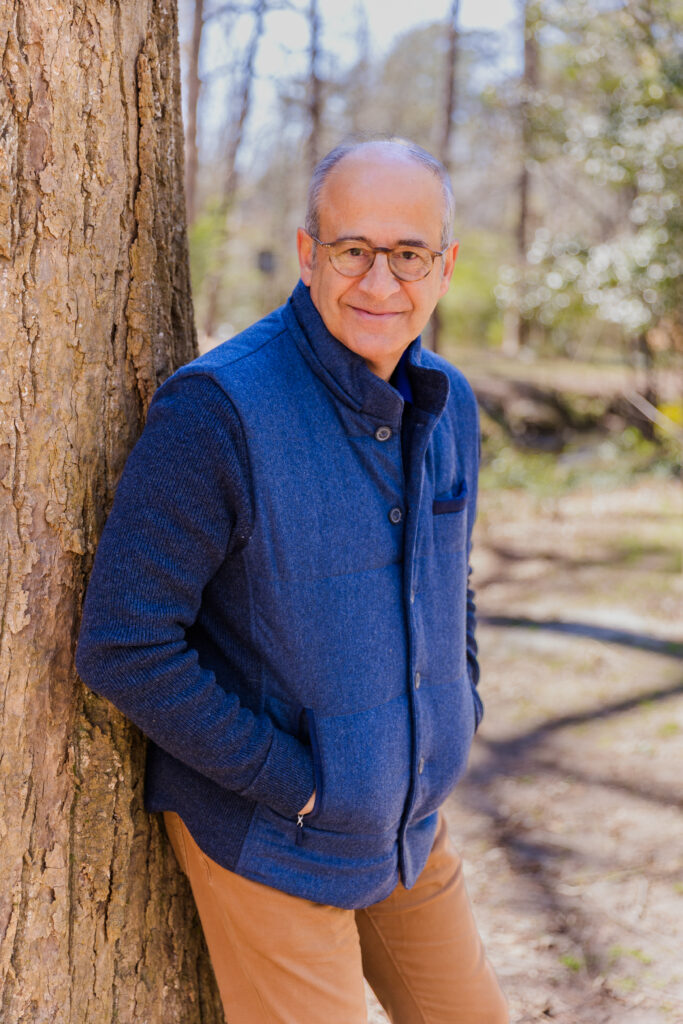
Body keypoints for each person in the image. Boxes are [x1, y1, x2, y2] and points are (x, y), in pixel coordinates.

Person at [76, 137, 508, 1024]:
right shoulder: (218, 410)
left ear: (445, 266)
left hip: (409, 827)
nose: (379, 284)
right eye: (352, 250)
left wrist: (455, 712)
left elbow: (446, 579)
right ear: (308, 252)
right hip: (274, 836)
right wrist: (297, 781)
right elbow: (124, 642)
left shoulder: (450, 400)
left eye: (408, 255)